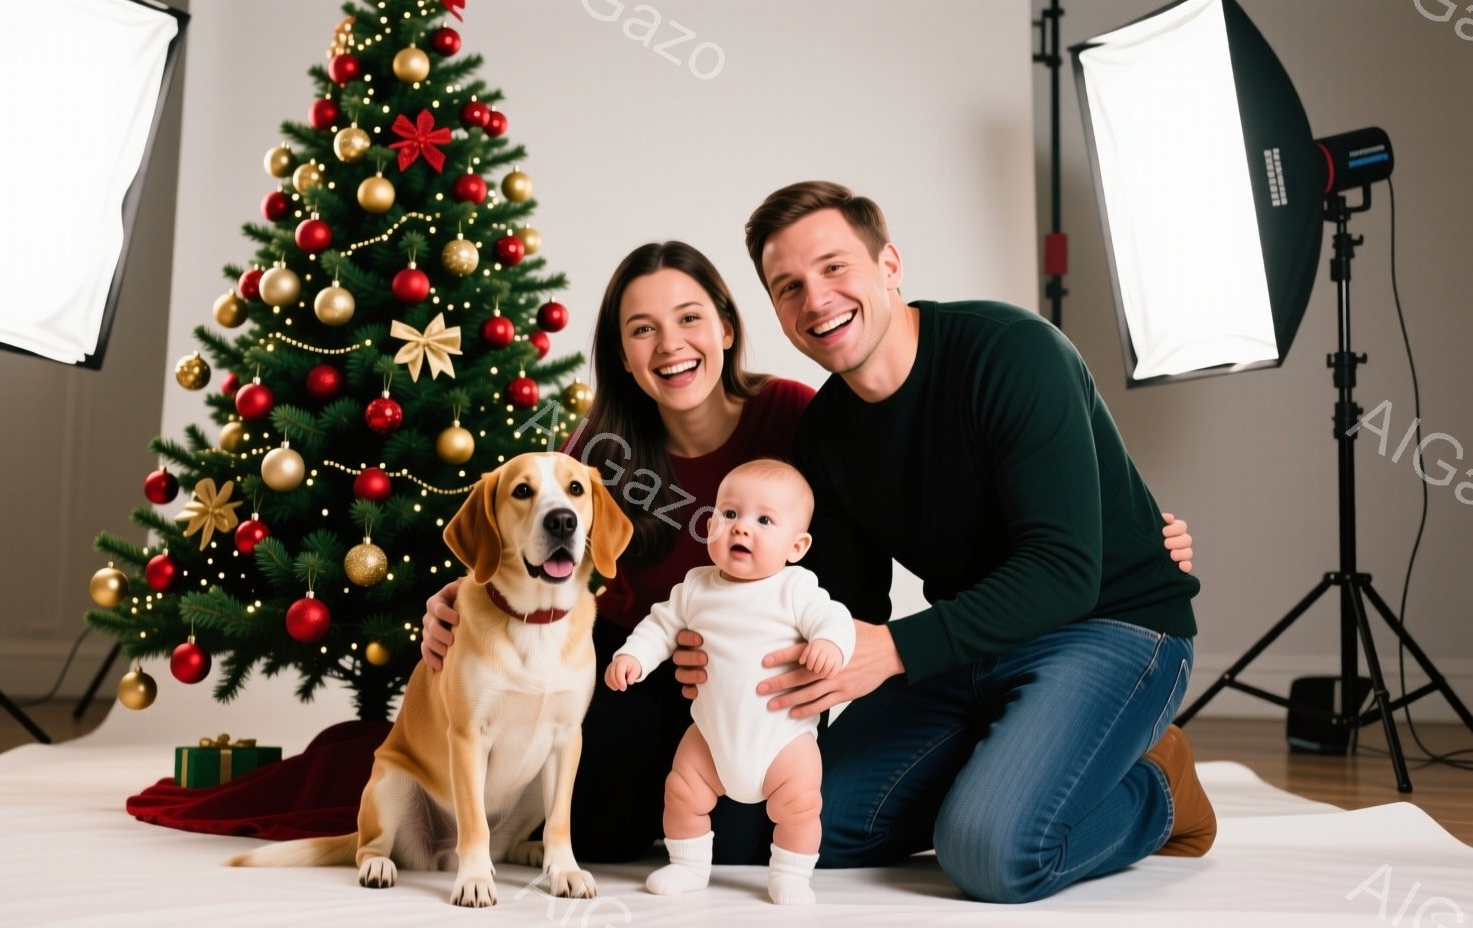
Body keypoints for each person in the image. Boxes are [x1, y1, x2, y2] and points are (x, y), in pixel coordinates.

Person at [419, 237, 1200, 876]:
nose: (669, 345)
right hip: (649, 676)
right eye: (641, 329)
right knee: (669, 835)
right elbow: (528, 548)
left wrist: (1127, 529)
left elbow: (851, 592)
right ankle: (1013, 764)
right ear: (621, 355)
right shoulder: (599, 453)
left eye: (689, 318)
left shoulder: (802, 423)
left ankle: (1126, 782)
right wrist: (459, 597)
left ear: (727, 327)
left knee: (968, 844)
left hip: (755, 682)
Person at [672, 180, 1214, 903]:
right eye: (789, 286)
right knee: (777, 824)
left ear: (889, 265)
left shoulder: (1013, 354)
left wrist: (896, 650)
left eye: (835, 267)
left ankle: (1157, 788)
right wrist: (730, 641)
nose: (816, 299)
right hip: (973, 647)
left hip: (1111, 629)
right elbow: (840, 603)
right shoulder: (826, 433)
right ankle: (1011, 765)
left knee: (990, 854)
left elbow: (1063, 572)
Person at [606, 459, 856, 905]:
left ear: (796, 546)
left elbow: (833, 618)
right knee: (682, 790)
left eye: (764, 520)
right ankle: (687, 865)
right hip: (710, 736)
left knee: (800, 805)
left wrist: (831, 645)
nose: (741, 529)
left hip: (782, 738)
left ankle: (791, 874)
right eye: (729, 514)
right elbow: (659, 626)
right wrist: (633, 657)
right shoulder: (695, 586)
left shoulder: (795, 588)